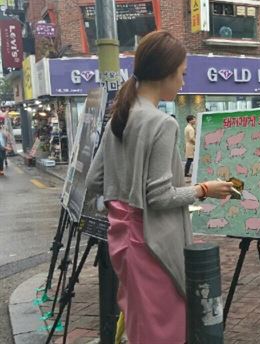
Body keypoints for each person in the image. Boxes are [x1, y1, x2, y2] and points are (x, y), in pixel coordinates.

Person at [86, 31, 234, 343]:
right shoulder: (162, 123)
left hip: (123, 240)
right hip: (152, 243)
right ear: (165, 74)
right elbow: (159, 196)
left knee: (141, 325)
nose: (182, 82)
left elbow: (94, 181)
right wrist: (204, 189)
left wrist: (126, 189)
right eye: (181, 74)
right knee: (164, 328)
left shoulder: (121, 114)